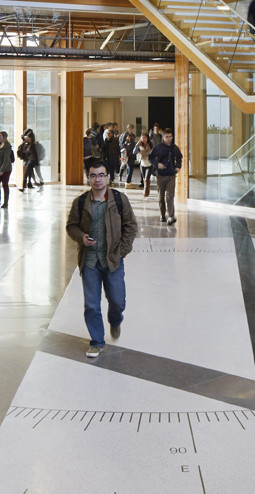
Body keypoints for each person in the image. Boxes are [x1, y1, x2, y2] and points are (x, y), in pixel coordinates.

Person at [66, 158, 139, 359]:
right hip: (90, 261)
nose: (97, 179)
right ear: (88, 178)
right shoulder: (81, 202)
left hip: (113, 260)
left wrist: (122, 251)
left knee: (117, 302)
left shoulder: (119, 200)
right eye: (93, 176)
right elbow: (71, 226)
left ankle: (115, 320)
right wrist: (81, 237)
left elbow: (131, 226)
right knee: (91, 304)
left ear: (108, 177)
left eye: (101, 175)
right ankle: (97, 341)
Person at [149, 128, 183, 224]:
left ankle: (171, 216)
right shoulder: (158, 147)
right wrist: (157, 164)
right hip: (160, 176)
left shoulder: (174, 148)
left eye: (170, 137)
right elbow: (150, 157)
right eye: (167, 137)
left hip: (171, 175)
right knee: (161, 197)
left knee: (170, 196)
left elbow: (179, 157)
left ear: (172, 137)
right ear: (163, 137)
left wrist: (178, 167)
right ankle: (162, 215)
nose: (169, 139)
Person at [0, 130, 14, 208]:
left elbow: (6, 159)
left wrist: (2, 169)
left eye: (0, 137)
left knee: (5, 185)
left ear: (4, 137)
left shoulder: (7, 146)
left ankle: (5, 203)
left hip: (6, 169)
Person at [135, 132, 153, 196]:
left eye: (145, 137)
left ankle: (146, 192)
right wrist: (137, 144)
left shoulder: (150, 145)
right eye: (142, 138)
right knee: (144, 179)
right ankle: (146, 190)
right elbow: (134, 152)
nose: (144, 139)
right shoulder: (139, 145)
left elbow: (153, 153)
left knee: (147, 179)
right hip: (142, 164)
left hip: (149, 164)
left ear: (147, 138)